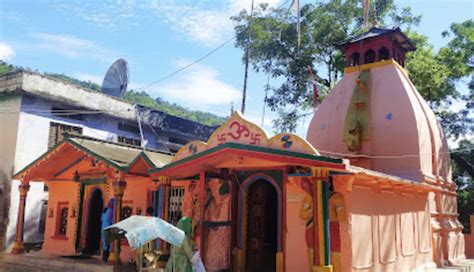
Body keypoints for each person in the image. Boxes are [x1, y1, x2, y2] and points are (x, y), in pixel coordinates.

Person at [101, 198, 115, 262]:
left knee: (105, 243)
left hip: (104, 228)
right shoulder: (111, 211)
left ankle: (104, 257)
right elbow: (111, 220)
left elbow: (102, 219)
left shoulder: (105, 210)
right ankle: (106, 257)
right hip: (108, 228)